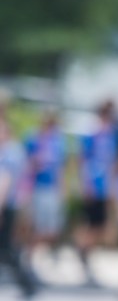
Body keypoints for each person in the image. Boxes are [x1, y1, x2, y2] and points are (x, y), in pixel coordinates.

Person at [75, 100, 118, 285]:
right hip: (93, 186)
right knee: (93, 224)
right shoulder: (92, 133)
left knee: (99, 226)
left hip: (105, 187)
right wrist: (85, 185)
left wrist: (113, 186)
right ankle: (81, 249)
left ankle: (83, 250)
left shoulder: (112, 135)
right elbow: (83, 160)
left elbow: (113, 163)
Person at [0, 119, 37, 300]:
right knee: (7, 248)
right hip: (8, 205)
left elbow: (5, 182)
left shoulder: (10, 153)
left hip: (6, 206)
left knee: (7, 248)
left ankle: (28, 283)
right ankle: (27, 284)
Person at [24, 109, 68, 258]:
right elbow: (27, 165)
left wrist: (62, 189)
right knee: (36, 225)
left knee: (52, 229)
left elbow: (60, 168)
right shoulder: (33, 139)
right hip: (37, 188)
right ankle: (28, 255)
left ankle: (31, 251)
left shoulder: (58, 142)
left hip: (52, 189)